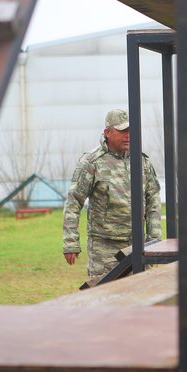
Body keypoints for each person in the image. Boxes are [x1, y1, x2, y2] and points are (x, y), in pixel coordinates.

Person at [62, 109, 162, 287]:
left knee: (139, 295)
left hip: (137, 244)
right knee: (105, 296)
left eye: (131, 131)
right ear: (107, 132)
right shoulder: (92, 162)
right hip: (104, 247)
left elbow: (153, 200)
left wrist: (154, 239)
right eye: (123, 131)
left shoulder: (141, 162)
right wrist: (71, 242)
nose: (128, 136)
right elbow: (73, 202)